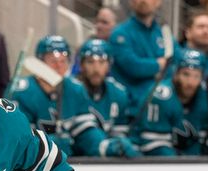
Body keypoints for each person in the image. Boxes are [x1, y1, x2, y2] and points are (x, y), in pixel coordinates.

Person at [10, 35, 139, 158]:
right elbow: (18, 140)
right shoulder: (22, 91)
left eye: (63, 60)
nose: (59, 66)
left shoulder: (75, 89)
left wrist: (105, 147)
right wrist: (47, 145)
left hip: (64, 167)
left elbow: (86, 131)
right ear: (40, 62)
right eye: (53, 60)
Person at [131, 48, 208, 156]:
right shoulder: (161, 96)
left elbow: (202, 143)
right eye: (186, 74)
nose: (190, 82)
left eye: (196, 76)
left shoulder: (206, 98)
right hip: (144, 158)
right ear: (175, 74)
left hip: (181, 160)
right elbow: (155, 146)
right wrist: (181, 166)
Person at [109, 0, 173, 104]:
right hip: (130, 106)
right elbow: (133, 66)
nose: (143, 1)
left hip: (161, 104)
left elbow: (174, 64)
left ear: (158, 2)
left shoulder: (164, 34)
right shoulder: (120, 34)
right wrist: (158, 65)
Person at [76, 38, 132, 140]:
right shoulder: (71, 92)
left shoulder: (119, 93)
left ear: (109, 66)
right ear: (81, 65)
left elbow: (120, 133)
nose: (96, 69)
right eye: (90, 62)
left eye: (101, 62)